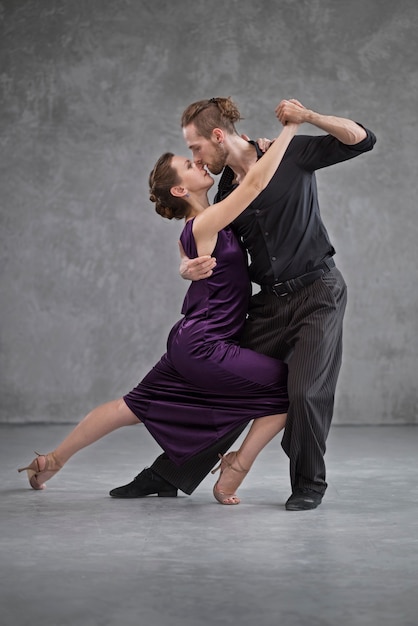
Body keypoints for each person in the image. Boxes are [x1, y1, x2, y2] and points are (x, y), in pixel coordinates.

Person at [17, 113, 298, 505]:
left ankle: (51, 461)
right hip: (205, 345)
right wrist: (290, 131)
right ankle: (238, 464)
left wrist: (255, 148)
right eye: (188, 165)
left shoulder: (203, 224)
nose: (197, 162)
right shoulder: (204, 223)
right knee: (292, 388)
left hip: (191, 340)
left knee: (128, 407)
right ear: (181, 190)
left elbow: (202, 243)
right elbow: (253, 185)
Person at [112, 97, 376, 510]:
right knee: (228, 390)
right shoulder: (223, 191)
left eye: (196, 148)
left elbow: (362, 139)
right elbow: (203, 234)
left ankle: (309, 485)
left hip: (318, 293)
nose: (196, 157)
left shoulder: (289, 153)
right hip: (268, 304)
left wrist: (306, 118)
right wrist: (184, 266)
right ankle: (167, 474)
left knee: (305, 393)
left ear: (217, 137)